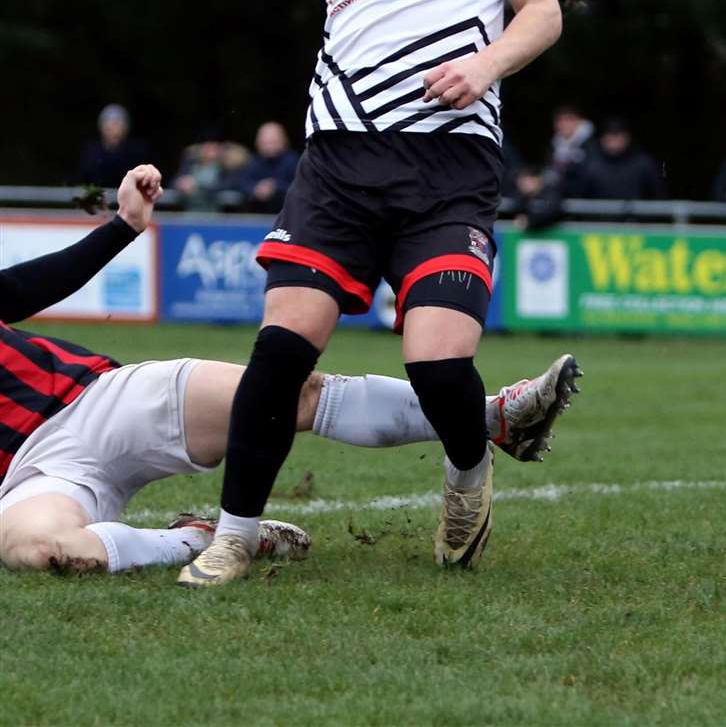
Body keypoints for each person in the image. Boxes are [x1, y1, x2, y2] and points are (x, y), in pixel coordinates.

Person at [180, 0, 565, 588]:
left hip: (447, 168)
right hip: (337, 169)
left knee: (435, 362)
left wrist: (486, 65)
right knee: (280, 353)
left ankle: (468, 472)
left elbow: (542, 11)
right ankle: (234, 535)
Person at [0, 167, 584, 576]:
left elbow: (21, 289)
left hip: (99, 401)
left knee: (291, 390)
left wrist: (124, 226)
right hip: (32, 480)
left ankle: (493, 417)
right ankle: (198, 540)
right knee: (41, 551)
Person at [572, 118, 665, 202]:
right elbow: (577, 195)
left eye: (618, 134)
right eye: (609, 135)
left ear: (628, 137)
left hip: (634, 219)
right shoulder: (589, 164)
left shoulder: (644, 164)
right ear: (602, 139)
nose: (613, 139)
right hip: (597, 219)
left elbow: (658, 195)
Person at [76, 104, 153, 189]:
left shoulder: (137, 152)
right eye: (108, 122)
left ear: (126, 127)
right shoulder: (91, 152)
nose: (112, 128)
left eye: (117, 123)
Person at [171, 132, 251, 211]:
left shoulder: (226, 167)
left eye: (213, 147)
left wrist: (198, 186)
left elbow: (230, 185)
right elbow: (174, 182)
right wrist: (180, 184)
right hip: (189, 212)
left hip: (215, 215)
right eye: (207, 146)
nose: (209, 151)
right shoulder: (190, 164)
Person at [236, 121, 301, 214]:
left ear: (284, 141)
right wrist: (256, 188)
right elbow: (241, 184)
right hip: (257, 216)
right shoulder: (253, 162)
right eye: (265, 142)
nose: (269, 146)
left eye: (273, 141)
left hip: (288, 215)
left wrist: (275, 187)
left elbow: (301, 188)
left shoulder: (295, 162)